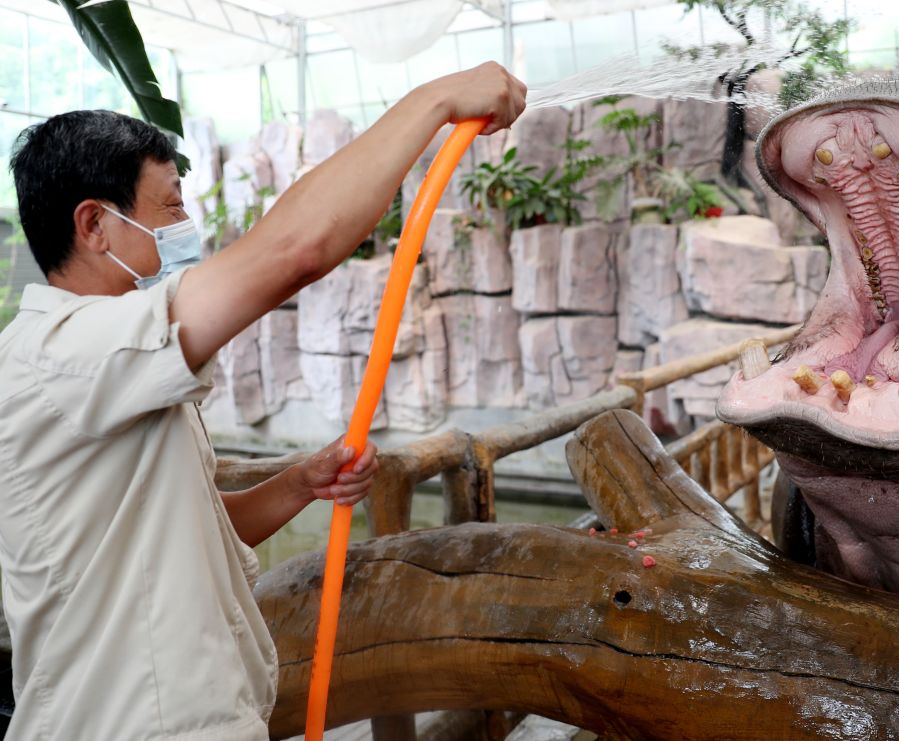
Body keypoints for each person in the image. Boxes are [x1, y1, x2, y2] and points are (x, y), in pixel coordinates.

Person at [0, 62, 526, 739]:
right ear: (95, 225)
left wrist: (297, 483)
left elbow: (186, 528)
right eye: (170, 204)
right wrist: (436, 99)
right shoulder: (68, 351)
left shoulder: (112, 363)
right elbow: (294, 250)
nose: (187, 224)